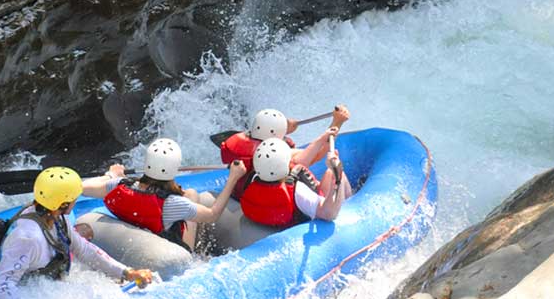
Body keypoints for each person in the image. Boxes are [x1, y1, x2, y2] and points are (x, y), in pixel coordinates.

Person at [0, 167, 154, 299]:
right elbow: (0, 288)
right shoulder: (28, 239)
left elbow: (84, 250)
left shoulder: (58, 217)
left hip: (46, 276)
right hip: (28, 285)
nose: (77, 199)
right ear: (63, 204)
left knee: (85, 233)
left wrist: (127, 273)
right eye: (74, 197)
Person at [81, 137, 247, 252]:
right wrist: (233, 178)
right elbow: (212, 215)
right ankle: (194, 253)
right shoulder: (173, 204)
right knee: (191, 195)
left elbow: (82, 187)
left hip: (137, 237)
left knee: (189, 193)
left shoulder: (118, 185)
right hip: (166, 249)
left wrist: (110, 175)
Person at [220, 105, 351, 199]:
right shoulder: (282, 156)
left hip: (245, 196)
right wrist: (337, 122)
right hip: (281, 201)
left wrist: (284, 126)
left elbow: (266, 129)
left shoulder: (243, 144)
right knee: (332, 174)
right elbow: (318, 153)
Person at [240, 134, 352, 227]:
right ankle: (352, 203)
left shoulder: (251, 178)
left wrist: (322, 139)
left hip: (272, 221)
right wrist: (337, 175)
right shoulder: (298, 191)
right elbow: (329, 214)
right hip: (300, 218)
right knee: (330, 173)